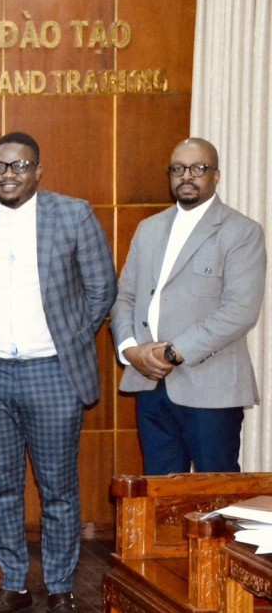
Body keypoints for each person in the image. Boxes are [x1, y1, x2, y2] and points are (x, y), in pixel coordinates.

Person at [0, 132, 115, 613]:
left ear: (38, 171)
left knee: (59, 490)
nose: (9, 175)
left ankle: (62, 589)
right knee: (2, 488)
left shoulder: (73, 214)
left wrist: (63, 338)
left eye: (20, 166)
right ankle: (16, 587)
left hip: (52, 373)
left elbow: (101, 288)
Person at [110, 138, 265, 474]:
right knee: (161, 499)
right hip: (150, 386)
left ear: (216, 176)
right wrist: (130, 351)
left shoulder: (242, 232)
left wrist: (172, 353)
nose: (187, 177)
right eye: (178, 169)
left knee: (215, 500)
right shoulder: (148, 229)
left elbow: (240, 311)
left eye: (198, 168)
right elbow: (125, 298)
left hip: (211, 389)